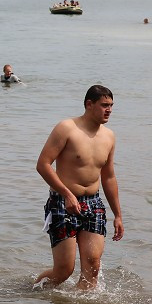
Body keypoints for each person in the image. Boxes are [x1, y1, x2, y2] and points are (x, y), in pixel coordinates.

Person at [32, 85, 125, 291]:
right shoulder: (67, 128)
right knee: (63, 271)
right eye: (104, 105)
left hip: (93, 203)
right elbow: (43, 164)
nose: (108, 110)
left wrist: (118, 215)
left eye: (111, 105)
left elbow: (108, 177)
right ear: (89, 104)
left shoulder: (109, 136)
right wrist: (66, 194)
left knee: (92, 267)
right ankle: (31, 292)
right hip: (62, 202)